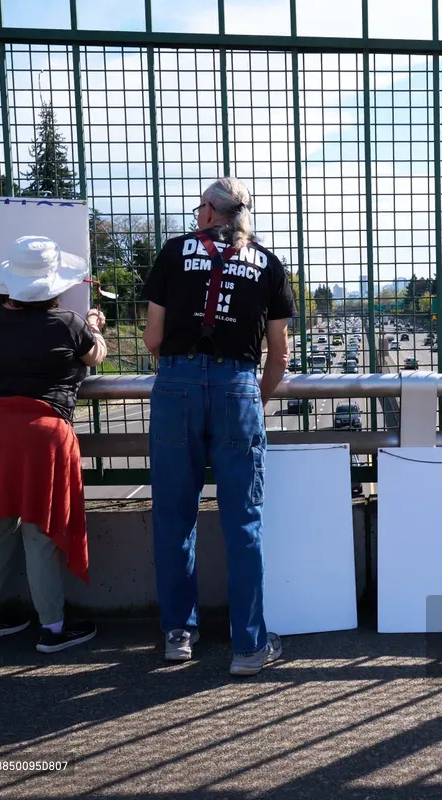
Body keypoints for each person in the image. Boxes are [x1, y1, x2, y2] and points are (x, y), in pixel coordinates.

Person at [142, 177, 295, 675]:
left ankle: (178, 634)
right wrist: (253, 396)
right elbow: (280, 354)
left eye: (199, 206)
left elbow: (152, 338)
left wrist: (184, 371)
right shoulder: (269, 264)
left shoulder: (172, 252)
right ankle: (249, 646)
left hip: (176, 387)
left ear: (210, 212)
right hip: (238, 388)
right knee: (243, 522)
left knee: (173, 514)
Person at [0, 235, 108, 654]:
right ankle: (52, 629)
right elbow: (96, 357)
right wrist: (93, 326)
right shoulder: (69, 323)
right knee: (40, 529)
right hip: (39, 433)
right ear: (53, 283)